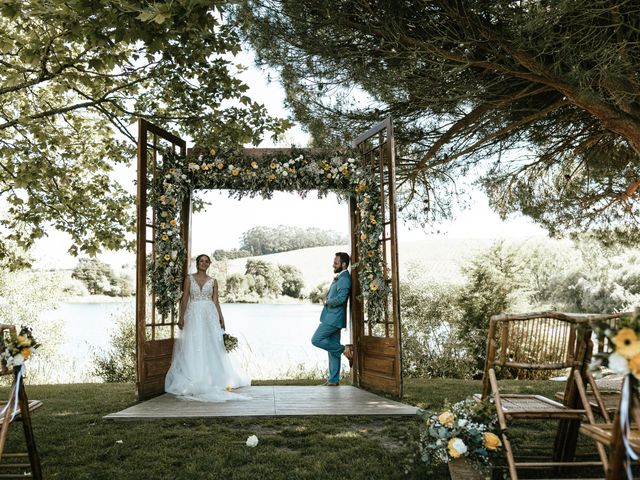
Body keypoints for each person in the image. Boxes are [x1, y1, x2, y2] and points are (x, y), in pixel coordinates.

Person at [165, 254, 250, 401]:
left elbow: (216, 302)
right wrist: (181, 317)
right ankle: (195, 375)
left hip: (209, 314)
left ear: (209, 264)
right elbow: (185, 299)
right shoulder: (189, 278)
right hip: (193, 314)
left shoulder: (213, 281)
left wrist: (221, 318)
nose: (203, 263)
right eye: (201, 261)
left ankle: (214, 377)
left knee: (212, 344)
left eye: (206, 261)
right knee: (193, 343)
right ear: (197, 263)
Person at [311, 252, 353, 386]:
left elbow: (341, 299)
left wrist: (328, 302)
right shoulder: (340, 277)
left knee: (316, 339)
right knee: (332, 349)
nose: (333, 265)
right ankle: (334, 380)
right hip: (331, 317)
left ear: (343, 264)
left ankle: (344, 349)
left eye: (336, 263)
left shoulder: (344, 278)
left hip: (334, 319)